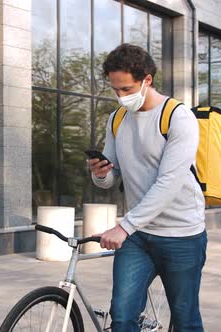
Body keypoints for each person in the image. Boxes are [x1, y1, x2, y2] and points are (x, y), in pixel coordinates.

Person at [88, 43, 207, 332]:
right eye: (115, 90)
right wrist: (99, 173)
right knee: (123, 316)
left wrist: (124, 226)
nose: (121, 96)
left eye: (127, 89)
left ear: (147, 80)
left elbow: (168, 183)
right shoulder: (117, 119)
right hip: (139, 236)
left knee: (185, 319)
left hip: (181, 235)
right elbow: (109, 178)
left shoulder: (178, 117)